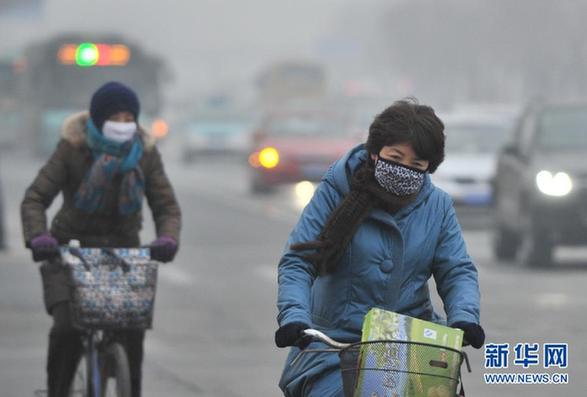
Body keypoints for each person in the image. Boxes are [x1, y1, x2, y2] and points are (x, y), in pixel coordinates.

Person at [274, 99, 484, 396]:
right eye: (395, 157)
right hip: (336, 349)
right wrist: (295, 317)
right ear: (375, 153)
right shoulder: (336, 192)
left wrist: (465, 317)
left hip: (413, 350)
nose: (404, 170)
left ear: (429, 167)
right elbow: (298, 262)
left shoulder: (437, 206)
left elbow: (457, 270)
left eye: (416, 165)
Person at [21, 81, 181, 397]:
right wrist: (39, 237)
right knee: (67, 329)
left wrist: (167, 239)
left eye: (128, 118)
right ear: (96, 119)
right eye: (114, 117)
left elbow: (166, 206)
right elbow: (35, 198)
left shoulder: (145, 154)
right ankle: (58, 390)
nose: (122, 125)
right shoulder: (72, 149)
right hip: (69, 253)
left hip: (123, 256)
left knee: (132, 332)